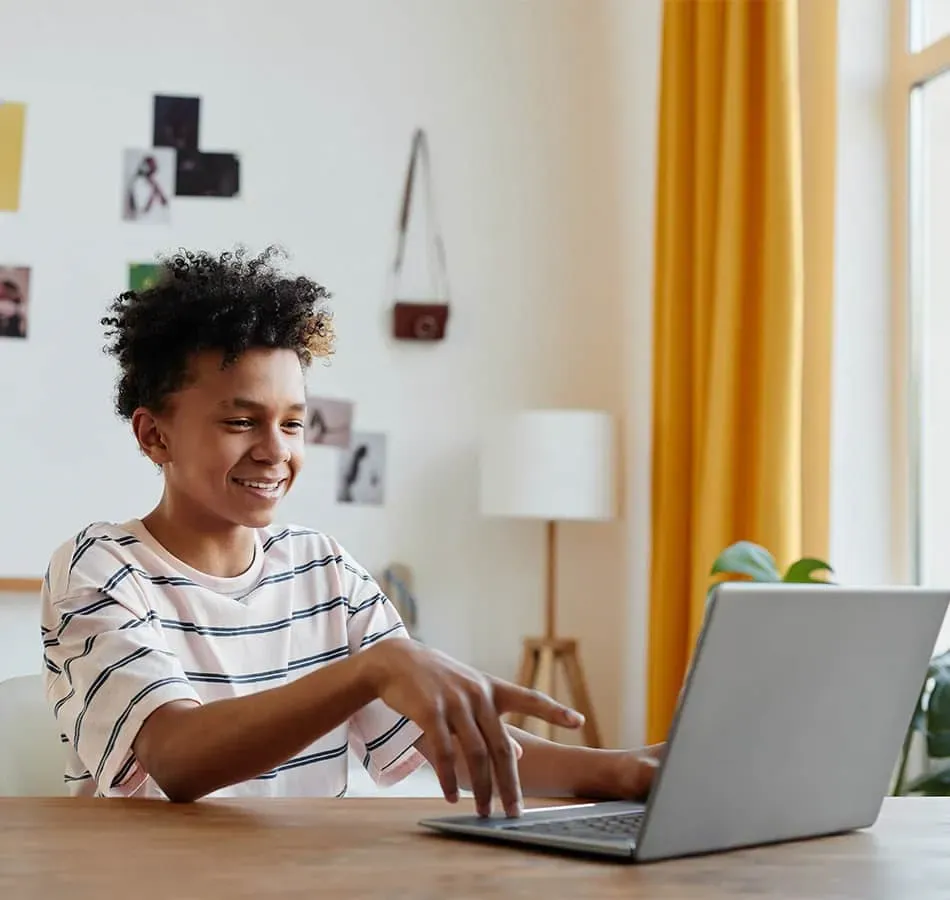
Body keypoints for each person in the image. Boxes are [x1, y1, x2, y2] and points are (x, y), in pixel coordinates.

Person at [40, 247, 663, 817]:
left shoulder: (321, 567)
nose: (274, 451)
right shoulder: (100, 568)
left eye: (292, 423)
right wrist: (370, 669)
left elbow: (438, 730)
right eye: (240, 421)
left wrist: (629, 771)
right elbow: (176, 758)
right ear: (154, 435)